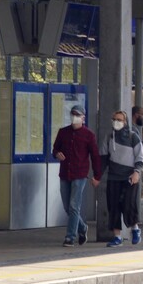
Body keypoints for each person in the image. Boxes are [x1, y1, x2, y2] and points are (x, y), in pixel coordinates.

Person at [51, 105, 102, 247]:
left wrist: (97, 176)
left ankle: (70, 237)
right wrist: (56, 154)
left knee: (74, 206)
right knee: (67, 207)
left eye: (77, 115)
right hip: (64, 174)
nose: (74, 117)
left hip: (80, 174)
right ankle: (82, 227)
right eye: (73, 114)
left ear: (83, 118)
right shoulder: (63, 132)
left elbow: (95, 156)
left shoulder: (88, 135)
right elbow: (55, 149)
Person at [100, 109, 143, 247]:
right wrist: (97, 176)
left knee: (129, 204)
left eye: (119, 120)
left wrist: (137, 172)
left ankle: (135, 229)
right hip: (113, 177)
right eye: (114, 119)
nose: (116, 122)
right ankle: (117, 236)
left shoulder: (133, 137)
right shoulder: (109, 137)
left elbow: (140, 157)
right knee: (113, 206)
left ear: (125, 122)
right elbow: (103, 158)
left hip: (129, 177)